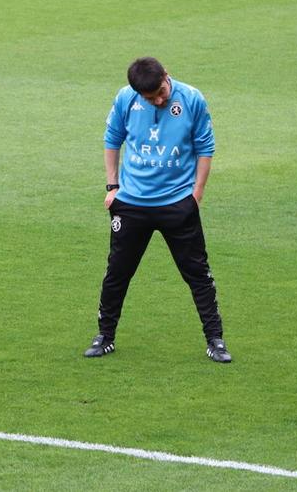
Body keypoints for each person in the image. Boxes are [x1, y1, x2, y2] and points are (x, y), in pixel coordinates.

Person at [83, 57, 231, 363]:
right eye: (151, 99)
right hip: (132, 204)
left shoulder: (191, 99)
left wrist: (196, 195)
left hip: (177, 204)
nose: (159, 100)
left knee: (198, 274)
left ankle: (215, 339)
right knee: (117, 274)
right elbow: (112, 140)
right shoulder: (126, 98)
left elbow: (205, 147)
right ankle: (105, 336)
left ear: (167, 76)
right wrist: (112, 188)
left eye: (161, 93)